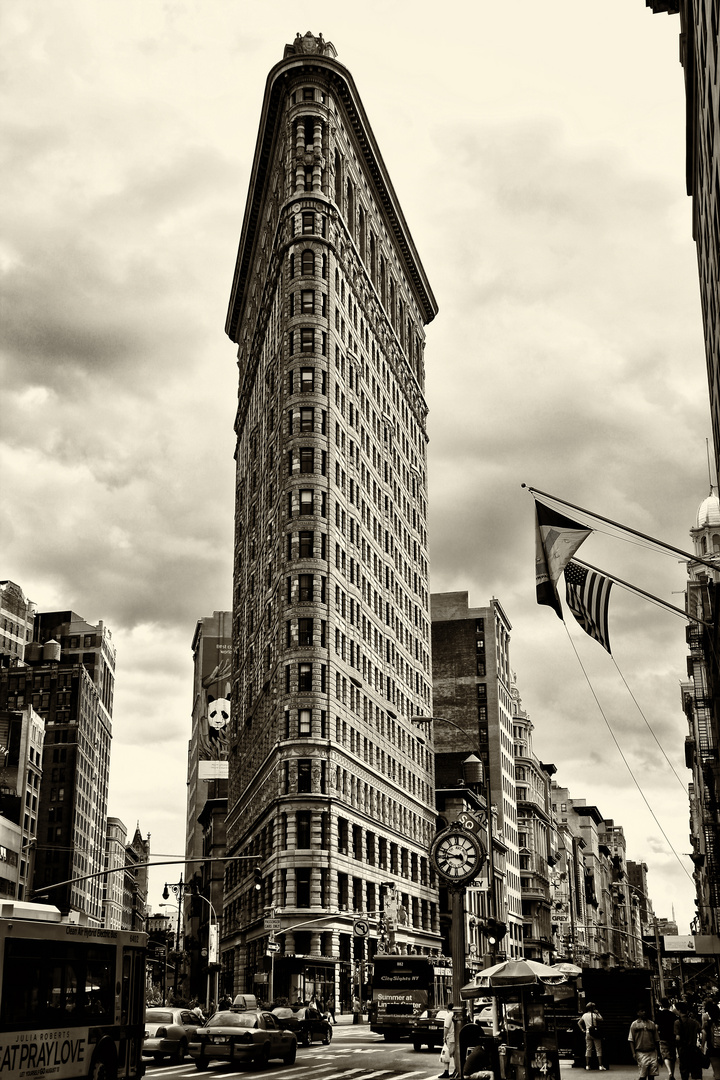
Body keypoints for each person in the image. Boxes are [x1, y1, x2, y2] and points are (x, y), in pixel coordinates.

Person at [629, 1006, 661, 1079]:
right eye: (642, 1011)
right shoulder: (634, 1024)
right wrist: (633, 1053)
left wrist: (658, 1054)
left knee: (652, 1075)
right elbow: (631, 1040)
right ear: (638, 1013)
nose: (644, 1012)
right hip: (641, 1052)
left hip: (652, 1052)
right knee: (643, 1075)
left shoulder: (651, 1024)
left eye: (645, 1011)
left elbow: (656, 1040)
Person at [675, 1000, 702, 1080]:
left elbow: (677, 1037)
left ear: (679, 1010)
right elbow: (702, 1031)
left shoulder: (677, 1023)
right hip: (693, 1049)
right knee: (695, 1071)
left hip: (683, 1050)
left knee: (684, 1071)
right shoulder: (694, 1022)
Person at [579, 1001, 606, 1071]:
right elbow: (601, 1019)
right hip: (595, 1033)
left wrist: (582, 1030)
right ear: (592, 1008)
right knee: (598, 1049)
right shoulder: (594, 1015)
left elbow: (579, 1023)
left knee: (588, 1049)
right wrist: (597, 1012)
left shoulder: (584, 1015)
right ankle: (600, 1066)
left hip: (587, 1033)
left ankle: (587, 1066)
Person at [438, 1004, 458, 1080]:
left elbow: (446, 1027)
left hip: (450, 1037)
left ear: (447, 1009)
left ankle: (446, 1071)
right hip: (456, 1037)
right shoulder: (455, 1015)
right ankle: (456, 1069)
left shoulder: (448, 1016)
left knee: (446, 1054)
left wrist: (444, 1037)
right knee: (455, 1055)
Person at [702, 998, 720, 1079]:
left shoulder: (707, 1024)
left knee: (717, 1072)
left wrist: (702, 1046)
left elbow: (704, 1035)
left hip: (713, 1050)